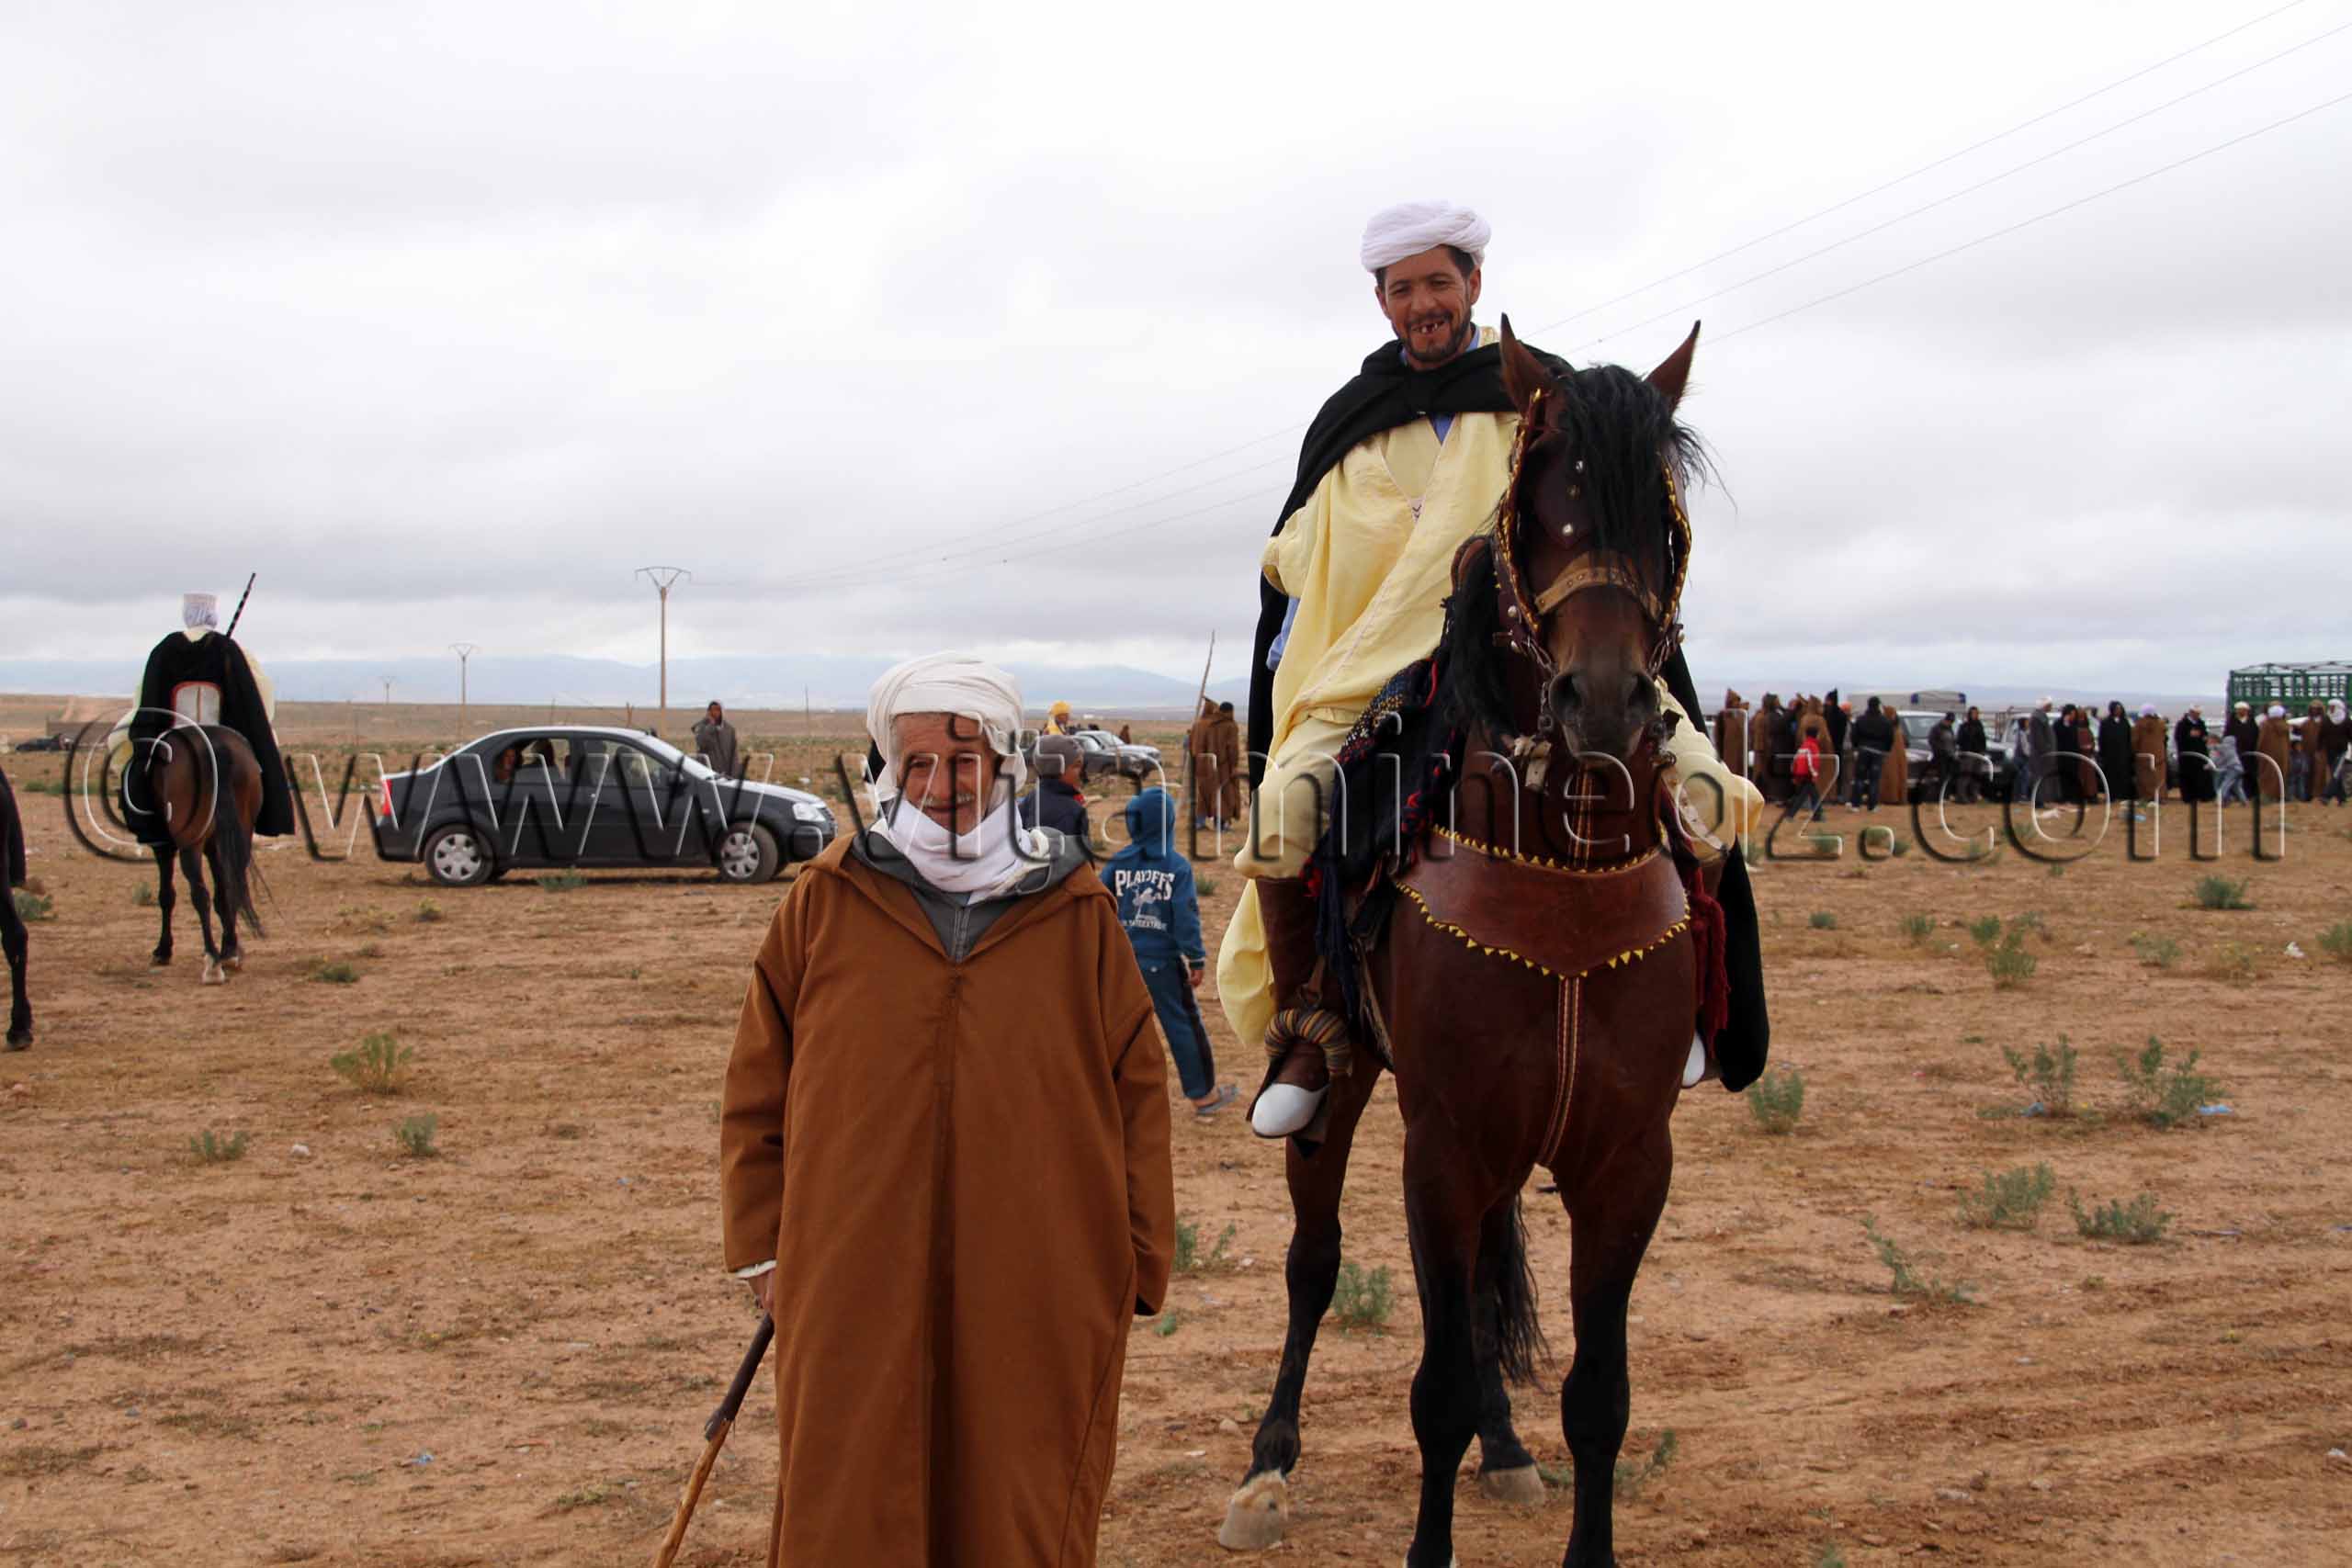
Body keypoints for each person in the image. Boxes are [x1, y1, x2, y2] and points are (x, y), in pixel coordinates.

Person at [1223, 200, 1764, 1140]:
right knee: (1281, 811)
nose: (1423, 302)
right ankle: (1312, 1026)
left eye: (1438, 281)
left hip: (1534, 650)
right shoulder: (1347, 425)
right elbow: (1301, 569)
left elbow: (1624, 523)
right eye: (1403, 289)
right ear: (1381, 303)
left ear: (1473, 284)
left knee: (1709, 793)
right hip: (1367, 667)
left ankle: (1685, 1003)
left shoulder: (1547, 400)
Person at [718, 652, 1175, 1566]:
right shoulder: (828, 901)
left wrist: (1136, 1258)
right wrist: (765, 1251)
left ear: (1003, 764)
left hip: (1039, 1267)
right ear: (887, 769)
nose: (938, 785)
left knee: (1016, 1488)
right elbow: (757, 1086)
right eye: (915, 762)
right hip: (849, 1263)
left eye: (963, 761)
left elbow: (1138, 1090)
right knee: (848, 1490)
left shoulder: (1075, 914)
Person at [121, 592, 294, 849]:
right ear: (213, 615)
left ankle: (145, 817)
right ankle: (267, 815)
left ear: (187, 614)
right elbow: (254, 696)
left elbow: (147, 695)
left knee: (129, 758)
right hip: (223, 734)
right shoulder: (229, 650)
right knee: (265, 759)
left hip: (174, 736)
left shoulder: (165, 649)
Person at [1102, 787, 1236, 1118]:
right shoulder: (1176, 867)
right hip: (1162, 963)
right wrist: (1196, 957)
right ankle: (1203, 1096)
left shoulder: (1116, 863)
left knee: (1116, 1031)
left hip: (1122, 965)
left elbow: (1101, 907)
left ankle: (1109, 1100)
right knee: (1182, 1026)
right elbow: (1185, 915)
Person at [1020, 733, 1094, 849]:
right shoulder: (1072, 813)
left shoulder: (1030, 799)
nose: (1082, 773)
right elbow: (1077, 862)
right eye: (1077, 766)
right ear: (1057, 768)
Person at [1848, 696, 1894, 811]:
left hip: (1863, 750)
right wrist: (1886, 750)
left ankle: (1855, 805)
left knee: (1859, 778)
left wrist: (1856, 746)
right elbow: (1890, 737)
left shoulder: (1861, 719)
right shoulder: (1885, 721)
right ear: (1878, 705)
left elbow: (1854, 735)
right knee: (1874, 780)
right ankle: (1872, 806)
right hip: (1878, 752)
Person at [1776, 724, 1826, 826]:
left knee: (1809, 795)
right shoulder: (1813, 746)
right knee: (1806, 796)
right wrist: (1814, 774)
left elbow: (1795, 760)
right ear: (1816, 735)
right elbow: (1813, 761)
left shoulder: (1803, 745)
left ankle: (1817, 815)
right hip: (1808, 775)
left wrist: (1794, 774)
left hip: (1801, 774)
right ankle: (1792, 814)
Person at [1185, 698, 1223, 829]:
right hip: (1211, 765)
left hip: (1198, 764)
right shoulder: (1213, 725)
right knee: (1216, 793)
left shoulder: (1196, 725)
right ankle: (1218, 824)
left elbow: (1189, 745)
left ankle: (1199, 822)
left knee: (1201, 793)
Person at [1210, 700, 1245, 824]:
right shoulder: (1231, 726)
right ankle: (1224, 822)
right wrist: (1234, 766)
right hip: (1225, 765)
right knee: (1227, 792)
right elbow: (1232, 747)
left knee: (1215, 791)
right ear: (1230, 712)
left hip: (1211, 764)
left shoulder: (1212, 724)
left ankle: (1217, 820)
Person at [2254, 705, 2293, 804]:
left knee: (2267, 775)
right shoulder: (2285, 726)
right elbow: (2288, 741)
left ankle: (2267, 797)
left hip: (2269, 753)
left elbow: (2262, 740)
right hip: (2283, 754)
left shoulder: (2267, 725)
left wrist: (2258, 751)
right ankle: (2280, 796)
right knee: (2281, 774)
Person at [2222, 701, 2262, 801]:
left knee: (2250, 774)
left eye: (2244, 710)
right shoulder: (2231, 723)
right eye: (2239, 710)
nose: (2242, 712)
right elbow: (2227, 737)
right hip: (2236, 753)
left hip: (2250, 753)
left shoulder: (2252, 722)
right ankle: (2235, 795)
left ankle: (2252, 794)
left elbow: (2257, 736)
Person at [692, 700, 741, 779]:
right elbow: (702, 743)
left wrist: (734, 775)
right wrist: (711, 726)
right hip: (708, 773)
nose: (714, 712)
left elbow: (734, 753)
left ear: (722, 712)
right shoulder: (702, 727)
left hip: (726, 773)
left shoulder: (729, 730)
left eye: (717, 710)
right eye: (712, 710)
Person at [2130, 705, 2168, 804]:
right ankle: (2160, 797)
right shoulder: (2161, 724)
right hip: (2160, 754)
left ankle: (2148, 796)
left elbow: (2134, 741)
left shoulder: (2139, 725)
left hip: (2144, 755)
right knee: (2159, 776)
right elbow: (2164, 738)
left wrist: (2135, 752)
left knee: (2146, 777)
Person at [2176, 705, 2213, 804]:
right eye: (2196, 713)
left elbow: (2204, 735)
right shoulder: (2182, 724)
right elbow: (2179, 738)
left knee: (2202, 775)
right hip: (2187, 756)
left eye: (2199, 713)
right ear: (2191, 713)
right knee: (2188, 776)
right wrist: (2190, 736)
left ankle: (2204, 796)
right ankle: (2189, 797)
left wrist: (2204, 737)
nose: (2197, 715)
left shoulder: (2201, 723)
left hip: (2200, 754)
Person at [1955, 705, 1989, 803]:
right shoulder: (1964, 726)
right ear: (1969, 714)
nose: (1974, 715)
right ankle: (1961, 797)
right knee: (1965, 776)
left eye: (1976, 713)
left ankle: (1974, 796)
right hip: (1967, 754)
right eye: (1973, 713)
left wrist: (1983, 751)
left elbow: (1983, 739)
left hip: (1978, 753)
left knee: (1977, 775)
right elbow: (1959, 740)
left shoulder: (1979, 725)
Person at [2322, 699, 2351, 807]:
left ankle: (2326, 796)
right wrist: (2319, 748)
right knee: (2336, 774)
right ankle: (2342, 798)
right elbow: (2322, 734)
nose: (2331, 709)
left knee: (2335, 773)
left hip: (2342, 751)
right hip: (2330, 751)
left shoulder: (2346, 720)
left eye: (2332, 707)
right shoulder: (2327, 720)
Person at [1926, 712, 1957, 800]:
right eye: (1948, 721)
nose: (1949, 723)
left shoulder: (1950, 729)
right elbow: (1932, 741)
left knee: (1948, 777)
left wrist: (1954, 751)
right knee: (1942, 777)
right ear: (1945, 720)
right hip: (1940, 757)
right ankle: (1941, 796)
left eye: (1951, 722)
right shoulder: (1936, 729)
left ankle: (1947, 795)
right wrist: (1941, 750)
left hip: (1950, 756)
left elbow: (1952, 742)